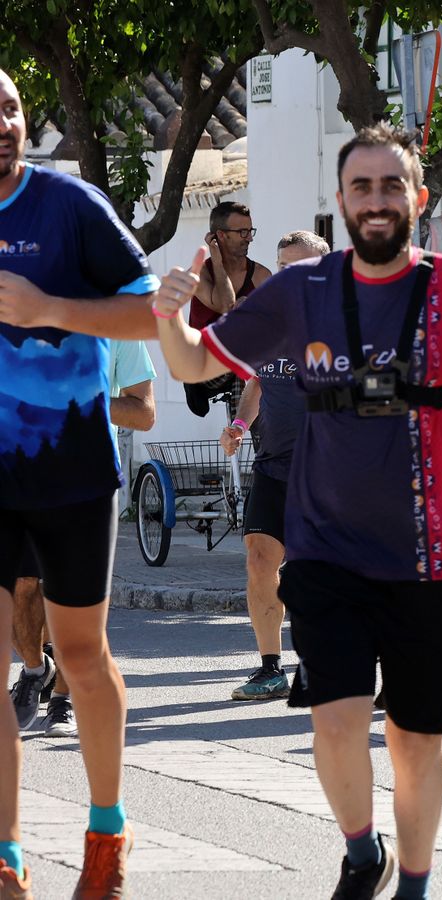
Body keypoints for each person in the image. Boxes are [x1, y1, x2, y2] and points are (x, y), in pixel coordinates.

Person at [151, 122, 442, 899]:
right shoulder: (303, 290)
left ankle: (415, 884)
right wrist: (170, 316)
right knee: (335, 721)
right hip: (326, 547)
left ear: (419, 200)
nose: (377, 200)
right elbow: (193, 362)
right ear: (341, 202)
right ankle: (363, 853)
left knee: (416, 743)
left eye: (393, 185)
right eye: (362, 186)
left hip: (436, 555)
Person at [0, 66, 163, 899]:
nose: (1, 121)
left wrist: (46, 309)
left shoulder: (72, 208)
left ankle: (106, 836)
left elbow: (150, 316)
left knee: (81, 656)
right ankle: (7, 854)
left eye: (10, 106)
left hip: (69, 473)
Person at [11, 338, 156, 745]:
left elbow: (144, 412)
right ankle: (38, 668)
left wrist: (77, 399)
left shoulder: (115, 323)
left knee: (71, 605)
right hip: (19, 474)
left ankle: (63, 700)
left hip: (84, 482)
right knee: (19, 591)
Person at [218, 231, 330, 703]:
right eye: (285, 268)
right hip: (274, 463)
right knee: (260, 561)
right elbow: (257, 383)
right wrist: (241, 423)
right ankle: (270, 668)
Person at [183, 201, 270, 418]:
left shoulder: (260, 276)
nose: (249, 237)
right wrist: (217, 261)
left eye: (250, 231)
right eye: (242, 232)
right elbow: (225, 304)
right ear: (220, 235)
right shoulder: (199, 274)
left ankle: (242, 437)